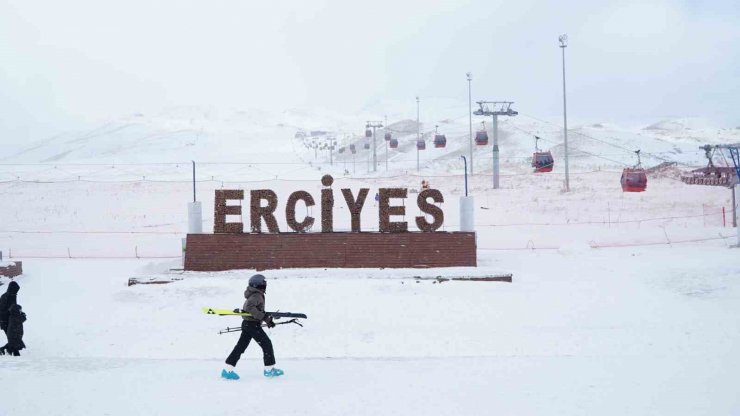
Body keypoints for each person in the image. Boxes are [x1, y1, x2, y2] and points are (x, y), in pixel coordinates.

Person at [222, 274, 284, 380]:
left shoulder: (256, 294)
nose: (265, 285)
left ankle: (228, 369)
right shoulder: (256, 296)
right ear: (258, 284)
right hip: (252, 325)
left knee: (240, 347)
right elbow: (249, 308)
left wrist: (267, 320)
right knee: (266, 344)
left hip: (248, 324)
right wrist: (263, 316)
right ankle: (269, 370)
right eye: (264, 283)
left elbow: (257, 311)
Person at [0, 281, 19, 354]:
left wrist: (18, 310)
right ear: (11, 289)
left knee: (14, 337)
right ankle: (15, 353)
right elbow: (1, 310)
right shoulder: (4, 297)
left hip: (12, 320)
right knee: (12, 338)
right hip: (4, 321)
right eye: (15, 290)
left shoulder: (13, 295)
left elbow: (13, 306)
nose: (16, 292)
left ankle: (6, 349)